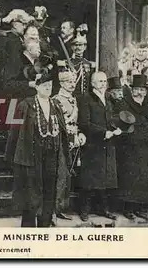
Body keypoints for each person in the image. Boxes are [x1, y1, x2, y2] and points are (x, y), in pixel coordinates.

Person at [5, 73, 69, 227]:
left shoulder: (56, 105)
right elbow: (14, 131)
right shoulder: (26, 105)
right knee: (31, 193)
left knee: (49, 190)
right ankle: (28, 229)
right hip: (32, 155)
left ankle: (44, 225)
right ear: (37, 87)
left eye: (50, 86)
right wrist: (12, 156)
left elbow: (62, 130)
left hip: (52, 154)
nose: (48, 88)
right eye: (44, 85)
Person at [77, 71, 119, 222]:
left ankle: (103, 209)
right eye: (100, 81)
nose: (103, 84)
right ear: (93, 83)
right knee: (89, 180)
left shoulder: (109, 98)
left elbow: (113, 117)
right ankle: (84, 210)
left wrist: (117, 128)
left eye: (104, 81)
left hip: (108, 144)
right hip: (93, 144)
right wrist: (103, 132)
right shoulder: (85, 99)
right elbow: (84, 123)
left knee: (106, 179)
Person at [116, 74, 148, 221]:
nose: (140, 92)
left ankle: (140, 207)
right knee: (130, 178)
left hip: (146, 147)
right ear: (132, 91)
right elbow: (120, 123)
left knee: (143, 178)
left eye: (143, 90)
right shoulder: (124, 103)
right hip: (130, 147)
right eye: (137, 89)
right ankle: (128, 209)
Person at [51, 70, 86, 221]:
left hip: (73, 140)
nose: (72, 85)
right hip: (60, 141)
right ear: (61, 83)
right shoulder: (56, 100)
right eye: (68, 82)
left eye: (73, 82)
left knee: (67, 176)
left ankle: (61, 208)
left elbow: (75, 122)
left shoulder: (73, 99)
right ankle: (52, 210)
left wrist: (78, 134)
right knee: (59, 176)